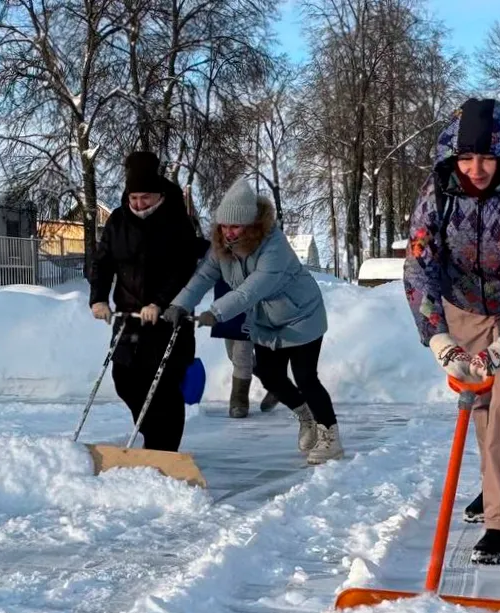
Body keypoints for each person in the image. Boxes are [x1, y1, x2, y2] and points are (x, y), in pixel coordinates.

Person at [402, 97, 500, 565]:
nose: (476, 168)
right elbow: (419, 265)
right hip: (464, 307)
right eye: (467, 157)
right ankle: (495, 486)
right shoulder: (438, 189)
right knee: (479, 399)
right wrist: (439, 339)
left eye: (488, 157)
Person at [166, 176, 342, 465]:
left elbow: (252, 289)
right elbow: (203, 277)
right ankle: (305, 416)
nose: (228, 233)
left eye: (235, 226)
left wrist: (217, 312)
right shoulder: (222, 246)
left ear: (251, 225)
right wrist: (179, 305)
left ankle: (330, 436)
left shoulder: (275, 247)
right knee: (269, 374)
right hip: (265, 319)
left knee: (306, 378)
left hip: (301, 315)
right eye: (223, 226)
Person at [89, 151, 207, 452]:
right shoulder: (117, 220)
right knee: (125, 379)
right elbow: (103, 262)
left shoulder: (176, 221)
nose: (139, 204)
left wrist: (158, 302)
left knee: (164, 388)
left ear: (158, 195)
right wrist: (99, 298)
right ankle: (153, 437)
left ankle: (164, 450)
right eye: (134, 197)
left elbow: (182, 269)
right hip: (129, 316)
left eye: (145, 197)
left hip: (168, 317)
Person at [182, 185, 278, 418]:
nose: (229, 231)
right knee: (232, 355)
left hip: (248, 305)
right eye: (224, 225)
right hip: (224, 306)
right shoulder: (216, 248)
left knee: (242, 355)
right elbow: (194, 252)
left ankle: (239, 402)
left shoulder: (258, 247)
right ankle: (276, 384)